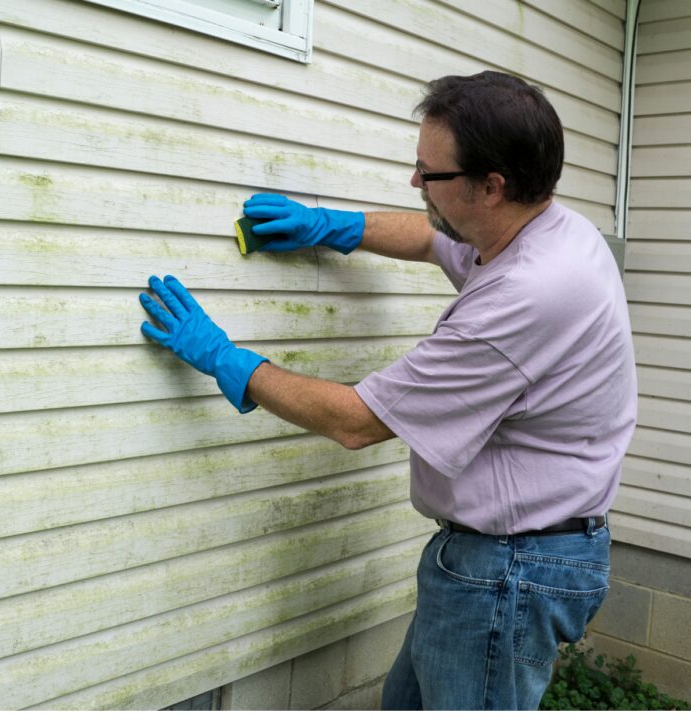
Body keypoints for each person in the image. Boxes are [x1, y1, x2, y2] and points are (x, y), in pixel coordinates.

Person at [138, 71, 637, 710]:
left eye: (430, 175)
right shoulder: (546, 229)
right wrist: (331, 225)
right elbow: (434, 238)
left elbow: (355, 421)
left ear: (491, 187)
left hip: (510, 574)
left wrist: (223, 358)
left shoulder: (525, 298)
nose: (415, 184)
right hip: (506, 557)